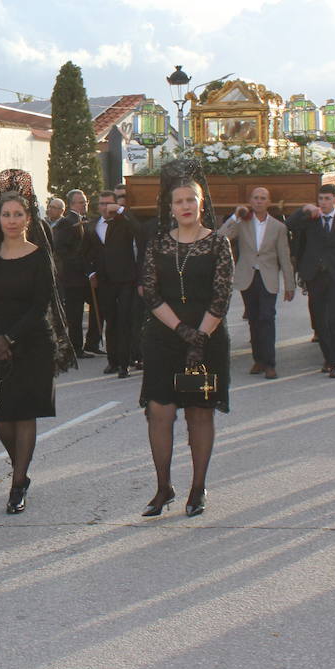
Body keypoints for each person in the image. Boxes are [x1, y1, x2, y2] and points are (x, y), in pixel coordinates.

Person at [0, 171, 73, 514]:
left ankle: (17, 483)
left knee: (25, 414)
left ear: (29, 218)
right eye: (7, 214)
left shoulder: (39, 255)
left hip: (30, 343)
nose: (12, 220)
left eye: (19, 215)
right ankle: (20, 469)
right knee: (0, 417)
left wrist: (10, 337)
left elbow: (40, 304)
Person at [138, 166, 233, 519]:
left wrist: (200, 337)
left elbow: (221, 297)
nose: (186, 205)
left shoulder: (218, 242)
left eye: (191, 199)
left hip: (206, 342)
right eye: (179, 201)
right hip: (165, 339)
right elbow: (150, 292)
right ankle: (163, 486)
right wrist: (181, 330)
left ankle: (197, 487)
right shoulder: (158, 243)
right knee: (159, 412)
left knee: (199, 412)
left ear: (201, 202)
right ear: (171, 207)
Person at [219, 186, 295, 379]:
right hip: (248, 277)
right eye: (256, 198)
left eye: (263, 198)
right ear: (250, 201)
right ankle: (258, 360)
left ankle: (270, 363)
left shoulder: (278, 227)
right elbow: (220, 238)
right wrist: (235, 217)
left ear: (268, 202)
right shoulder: (242, 223)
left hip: (268, 277)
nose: (259, 201)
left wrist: (289, 284)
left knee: (267, 318)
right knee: (253, 318)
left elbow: (284, 257)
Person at [287, 185, 335, 377]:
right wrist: (304, 209)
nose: (323, 203)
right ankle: (328, 357)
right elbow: (290, 225)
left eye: (327, 199)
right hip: (314, 276)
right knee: (319, 320)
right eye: (320, 199)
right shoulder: (311, 219)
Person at [85, 190, 142, 377]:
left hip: (126, 279)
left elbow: (139, 232)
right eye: (101, 204)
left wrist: (121, 210)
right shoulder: (93, 225)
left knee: (124, 321)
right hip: (104, 281)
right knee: (110, 322)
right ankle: (113, 361)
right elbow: (85, 252)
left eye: (109, 203)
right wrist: (91, 272)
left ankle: (125, 364)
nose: (105, 207)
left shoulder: (124, 222)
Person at [51, 190, 93, 359]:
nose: (84, 205)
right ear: (71, 204)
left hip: (85, 277)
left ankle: (91, 342)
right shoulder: (66, 223)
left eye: (85, 201)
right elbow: (61, 249)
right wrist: (80, 263)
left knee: (98, 309)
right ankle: (75, 347)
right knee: (74, 314)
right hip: (73, 277)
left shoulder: (84, 220)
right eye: (81, 202)